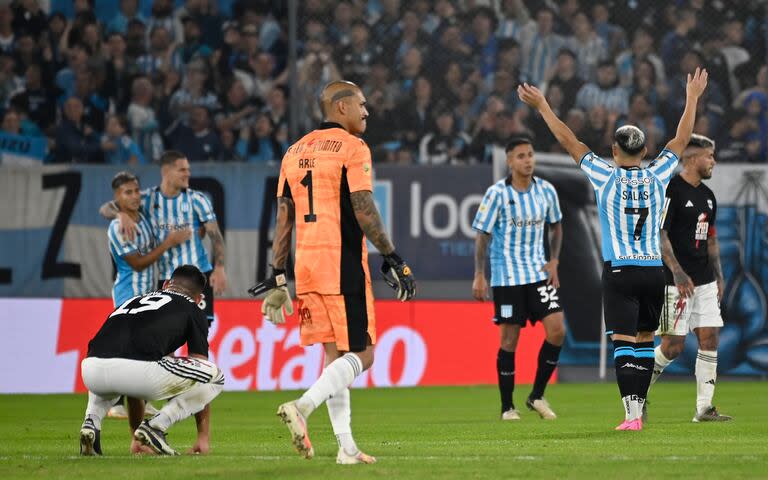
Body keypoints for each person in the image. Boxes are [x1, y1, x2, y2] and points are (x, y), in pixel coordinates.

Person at [517, 67, 708, 430]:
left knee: (623, 342)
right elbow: (682, 140)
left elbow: (569, 140)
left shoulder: (604, 175)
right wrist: (692, 97)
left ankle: (632, 415)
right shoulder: (658, 173)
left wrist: (542, 105)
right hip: (654, 270)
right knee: (644, 340)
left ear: (614, 150)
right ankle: (636, 414)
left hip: (619, 271)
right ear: (646, 150)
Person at [249, 80, 415, 464]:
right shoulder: (353, 148)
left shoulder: (293, 152)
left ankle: (346, 447)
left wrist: (278, 275)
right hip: (340, 263)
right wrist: (392, 256)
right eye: (361, 104)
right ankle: (303, 407)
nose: (367, 112)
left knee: (334, 356)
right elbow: (362, 206)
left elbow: (284, 218)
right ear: (341, 108)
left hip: (306, 266)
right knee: (365, 353)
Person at [79, 265, 224, 456]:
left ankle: (92, 421)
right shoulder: (192, 308)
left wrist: (135, 439)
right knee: (214, 376)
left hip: (90, 370)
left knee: (114, 360)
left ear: (165, 285)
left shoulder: (133, 300)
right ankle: (157, 426)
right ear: (198, 299)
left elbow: (132, 387)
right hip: (136, 370)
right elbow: (200, 371)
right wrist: (202, 436)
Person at [472, 136, 565, 420]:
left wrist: (554, 261)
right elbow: (482, 237)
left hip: (538, 274)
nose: (528, 160)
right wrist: (479, 275)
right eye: (521, 156)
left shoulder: (546, 191)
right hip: (507, 278)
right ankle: (507, 407)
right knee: (510, 341)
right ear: (509, 161)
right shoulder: (496, 194)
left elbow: (557, 226)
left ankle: (536, 395)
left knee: (557, 331)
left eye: (530, 154)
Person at [649, 134, 732, 422]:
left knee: (709, 338)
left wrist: (718, 275)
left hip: (705, 280)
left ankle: (704, 408)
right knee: (673, 346)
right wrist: (677, 271)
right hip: (676, 282)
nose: (713, 161)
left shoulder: (708, 196)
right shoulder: (671, 190)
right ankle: (638, 393)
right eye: (709, 156)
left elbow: (711, 239)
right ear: (692, 158)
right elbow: (660, 235)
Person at [99, 150, 227, 325]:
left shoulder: (197, 199)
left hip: (197, 275)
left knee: (199, 329)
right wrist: (120, 215)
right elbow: (106, 208)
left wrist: (219, 268)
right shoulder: (146, 199)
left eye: (188, 169)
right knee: (167, 333)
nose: (188, 173)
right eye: (182, 170)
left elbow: (215, 235)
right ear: (166, 172)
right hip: (166, 278)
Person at [104, 171, 191, 422]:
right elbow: (138, 263)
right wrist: (169, 242)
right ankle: (120, 403)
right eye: (126, 193)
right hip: (128, 293)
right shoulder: (117, 227)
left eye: (135, 191)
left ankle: (140, 401)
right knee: (131, 349)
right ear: (117, 197)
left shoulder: (142, 219)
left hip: (148, 293)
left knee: (147, 348)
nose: (133, 197)